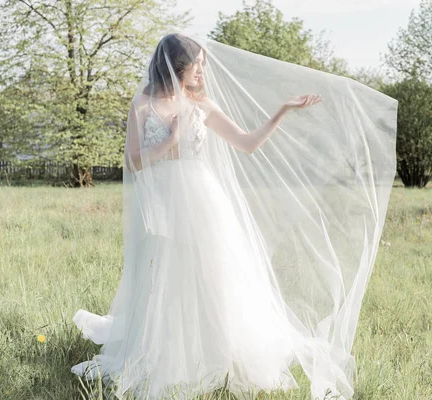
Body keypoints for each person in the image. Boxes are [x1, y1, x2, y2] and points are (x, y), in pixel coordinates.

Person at [71, 32, 398, 400]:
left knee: (213, 276)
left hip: (202, 201)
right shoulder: (143, 104)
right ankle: (169, 352)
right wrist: (169, 142)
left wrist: (283, 111)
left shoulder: (201, 105)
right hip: (164, 204)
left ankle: (218, 353)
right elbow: (132, 161)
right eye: (197, 65)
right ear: (178, 66)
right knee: (166, 278)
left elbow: (247, 143)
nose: (202, 72)